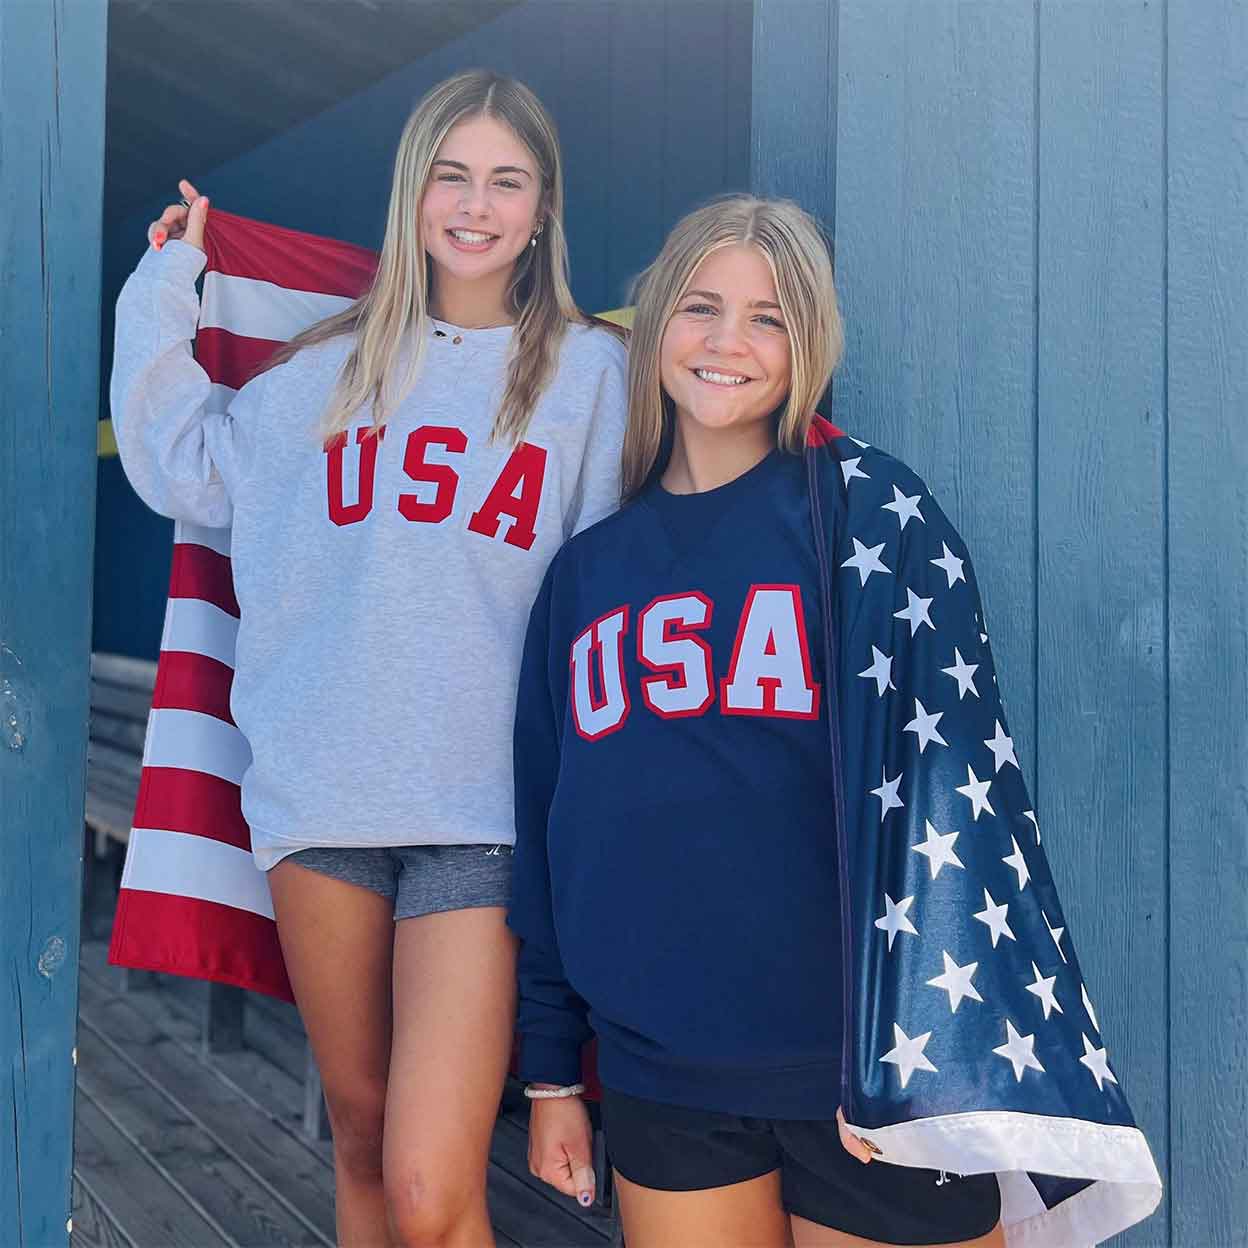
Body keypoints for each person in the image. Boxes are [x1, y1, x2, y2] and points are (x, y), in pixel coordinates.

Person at [508, 190, 1164, 1247]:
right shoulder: (586, 576)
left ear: (807, 342)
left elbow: (960, 805)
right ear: (656, 321)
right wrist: (550, 1075)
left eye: (768, 317)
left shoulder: (869, 519)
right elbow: (552, 836)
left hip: (862, 1078)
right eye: (701, 306)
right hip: (662, 1077)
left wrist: (927, 1054)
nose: (729, 341)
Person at [110, 69, 626, 1248]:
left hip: (484, 818)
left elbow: (625, 585)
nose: (476, 205)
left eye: (507, 180)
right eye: (452, 175)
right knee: (357, 1130)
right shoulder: (315, 376)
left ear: (544, 209)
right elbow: (172, 461)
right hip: (323, 800)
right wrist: (164, 279)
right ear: (414, 193)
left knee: (431, 1188)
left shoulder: (594, 380)